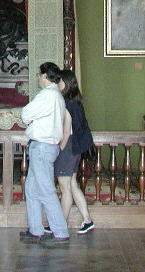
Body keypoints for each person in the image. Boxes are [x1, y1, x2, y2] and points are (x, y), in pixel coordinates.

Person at [19, 61, 70, 247]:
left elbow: (25, 114)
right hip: (46, 147)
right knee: (32, 189)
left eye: (39, 76)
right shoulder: (57, 95)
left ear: (45, 76)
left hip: (42, 147)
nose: (38, 79)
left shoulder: (47, 95)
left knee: (46, 190)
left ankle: (60, 232)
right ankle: (35, 229)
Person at [51, 69, 94, 234]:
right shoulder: (75, 102)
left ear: (66, 83)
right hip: (76, 148)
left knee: (65, 187)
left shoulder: (66, 103)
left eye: (60, 81)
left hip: (67, 147)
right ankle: (87, 220)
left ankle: (60, 224)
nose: (57, 84)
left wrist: (58, 151)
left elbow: (66, 131)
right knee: (73, 185)